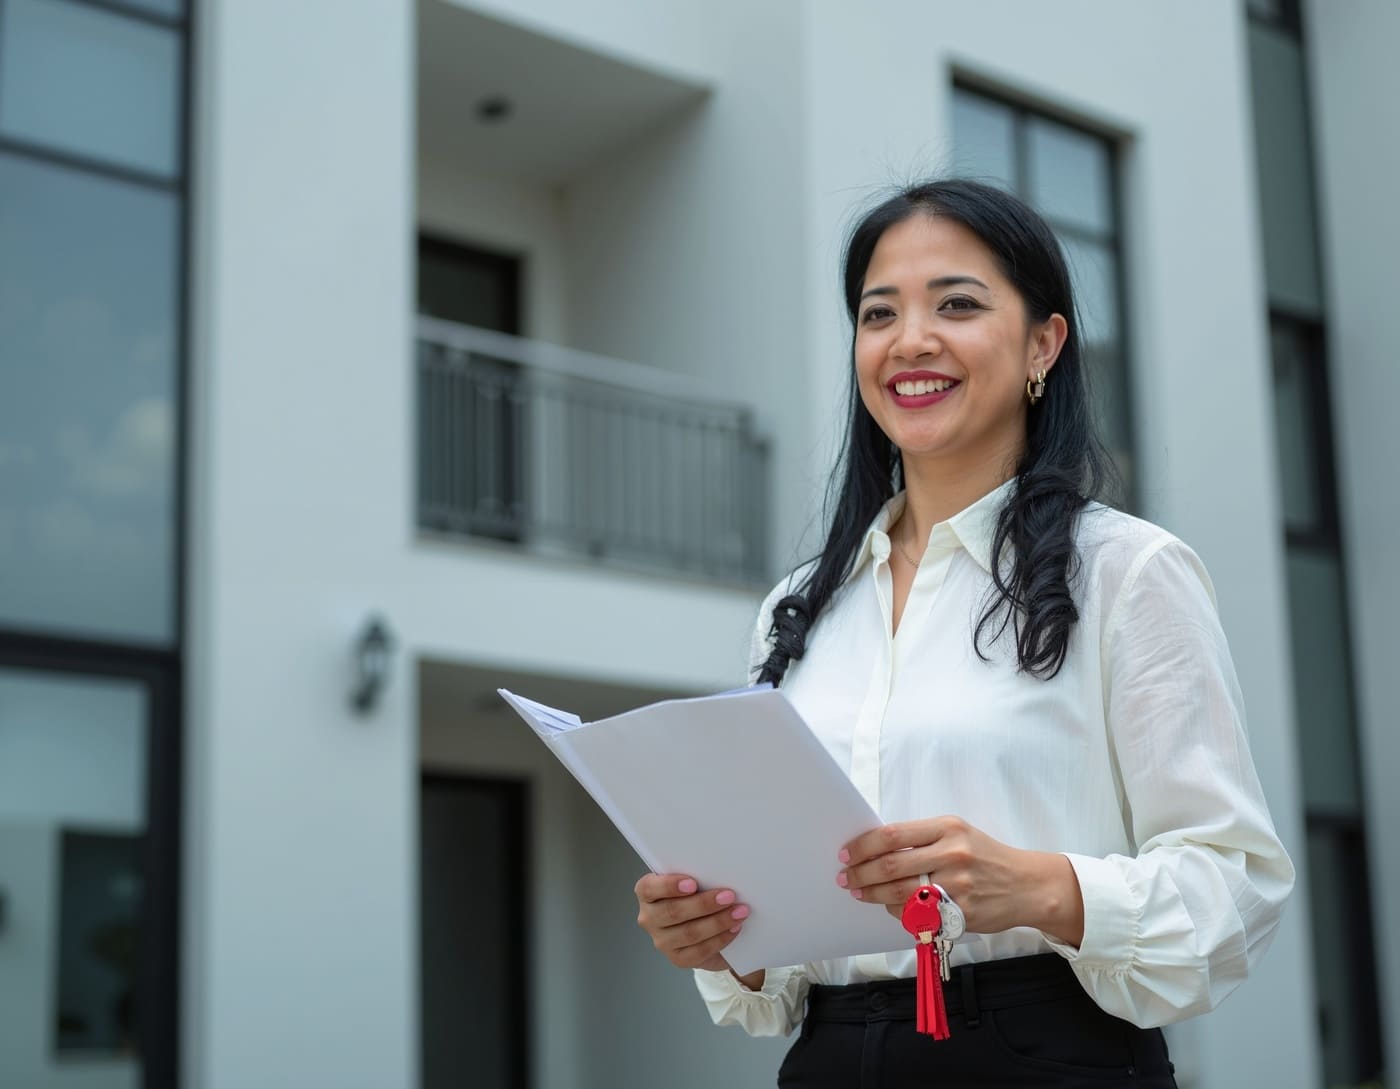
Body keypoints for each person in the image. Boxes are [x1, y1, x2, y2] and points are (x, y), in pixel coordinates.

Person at [633, 178, 1294, 1088]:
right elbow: (779, 981)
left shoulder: (1128, 572)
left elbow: (1236, 881)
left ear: (1043, 344)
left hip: (1044, 1052)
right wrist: (726, 941)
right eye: (878, 313)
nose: (911, 340)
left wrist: (1046, 889)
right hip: (828, 1059)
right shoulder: (799, 609)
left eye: (958, 304)